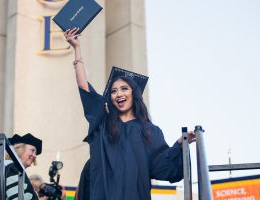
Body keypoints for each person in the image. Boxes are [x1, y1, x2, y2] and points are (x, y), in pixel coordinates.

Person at [64, 28, 196, 200]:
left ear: (134, 94)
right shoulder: (103, 124)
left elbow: (161, 165)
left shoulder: (150, 131)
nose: (119, 94)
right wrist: (77, 48)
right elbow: (84, 87)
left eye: (124, 89)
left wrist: (180, 144)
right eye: (114, 91)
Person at [0, 133, 42, 200]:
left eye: (35, 153)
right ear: (20, 149)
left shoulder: (6, 166)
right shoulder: (12, 167)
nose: (35, 155)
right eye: (32, 150)